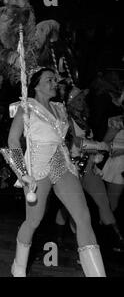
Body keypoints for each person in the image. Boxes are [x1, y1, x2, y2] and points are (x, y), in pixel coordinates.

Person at [4, 67, 106, 277]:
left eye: (55, 80)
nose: (55, 83)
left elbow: (68, 141)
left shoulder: (60, 109)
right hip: (36, 169)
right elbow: (12, 141)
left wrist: (95, 148)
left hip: (61, 164)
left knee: (83, 218)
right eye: (49, 80)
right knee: (33, 221)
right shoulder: (26, 108)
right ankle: (18, 268)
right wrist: (22, 173)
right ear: (36, 85)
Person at [59, 86, 124, 253]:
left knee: (103, 202)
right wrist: (99, 145)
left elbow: (89, 142)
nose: (82, 102)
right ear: (70, 103)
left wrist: (96, 156)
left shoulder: (84, 119)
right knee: (69, 208)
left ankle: (115, 237)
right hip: (73, 168)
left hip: (89, 167)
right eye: (78, 99)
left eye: (82, 99)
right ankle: (62, 237)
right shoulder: (67, 120)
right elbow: (77, 143)